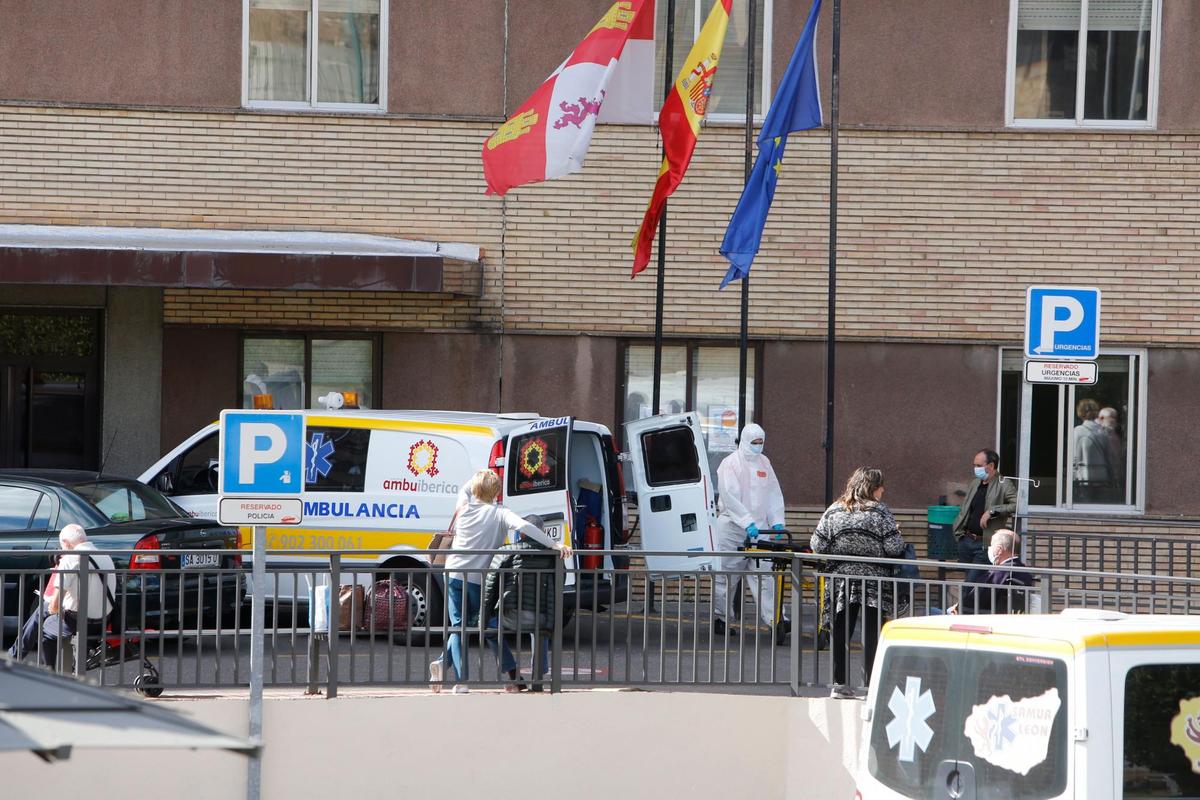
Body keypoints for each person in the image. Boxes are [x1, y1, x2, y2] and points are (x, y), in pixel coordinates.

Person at [430, 470, 571, 693]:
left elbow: (465, 488)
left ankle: (460, 681)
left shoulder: (464, 505)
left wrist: (481, 476)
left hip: (453, 573)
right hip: (476, 579)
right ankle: (511, 674)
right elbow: (526, 527)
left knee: (458, 627)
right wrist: (554, 545)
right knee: (486, 627)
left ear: (475, 488)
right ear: (496, 492)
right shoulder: (500, 513)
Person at [811, 468, 907, 699]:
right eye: (881, 486)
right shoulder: (880, 512)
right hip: (873, 582)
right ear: (873, 487)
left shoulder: (834, 510)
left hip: (840, 582)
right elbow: (894, 548)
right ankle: (869, 687)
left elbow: (817, 545)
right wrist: (896, 533)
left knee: (841, 633)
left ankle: (839, 684)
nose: (883, 490)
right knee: (872, 634)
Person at [711, 423, 789, 643]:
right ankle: (722, 619)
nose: (758, 446)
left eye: (761, 442)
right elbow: (729, 496)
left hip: (760, 529)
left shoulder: (765, 463)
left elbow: (773, 493)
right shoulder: (730, 464)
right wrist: (747, 522)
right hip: (732, 529)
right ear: (745, 440)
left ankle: (776, 620)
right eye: (754, 442)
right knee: (727, 576)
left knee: (766, 577)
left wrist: (777, 522)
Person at [8, 524, 116, 669]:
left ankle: (44, 669)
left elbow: (55, 606)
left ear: (66, 543)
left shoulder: (70, 559)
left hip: (78, 620)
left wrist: (53, 604)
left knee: (45, 623)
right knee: (44, 610)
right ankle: (15, 655)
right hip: (104, 619)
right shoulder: (105, 556)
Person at [952, 448, 1018, 584]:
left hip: (985, 543)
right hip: (967, 540)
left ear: (991, 465)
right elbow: (966, 508)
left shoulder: (1004, 484)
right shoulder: (975, 483)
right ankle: (970, 605)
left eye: (979, 466)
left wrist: (992, 511)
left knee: (970, 585)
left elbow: (1016, 504)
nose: (975, 469)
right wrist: (960, 534)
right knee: (971, 583)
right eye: (974, 465)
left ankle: (965, 605)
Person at [948, 529, 1032, 615]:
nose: (989, 549)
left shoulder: (997, 574)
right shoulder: (1025, 573)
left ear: (999, 550)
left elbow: (974, 600)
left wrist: (957, 609)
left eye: (991, 545)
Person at [1072, 399, 1110, 501]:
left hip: (1084, 476)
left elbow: (1074, 456)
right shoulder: (1103, 432)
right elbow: (1109, 455)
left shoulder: (1077, 431)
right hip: (1102, 475)